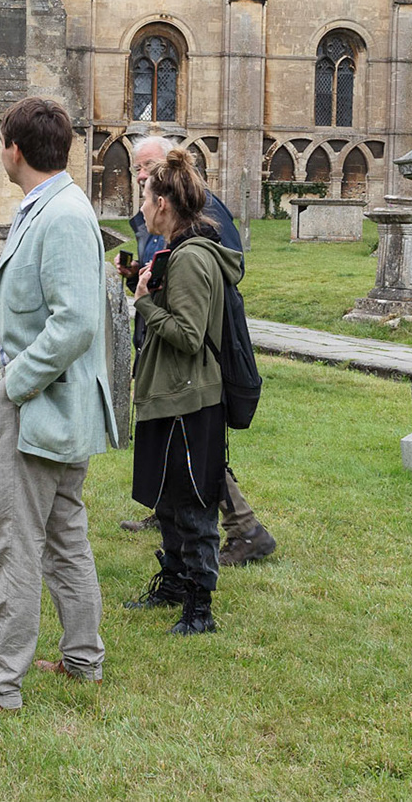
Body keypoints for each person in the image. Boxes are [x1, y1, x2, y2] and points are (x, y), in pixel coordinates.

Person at [0, 96, 115, 709]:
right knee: (64, 534)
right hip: (51, 405)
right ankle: (83, 660)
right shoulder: (50, 205)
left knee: (16, 540)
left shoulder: (61, 213)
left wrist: (15, 382)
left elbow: (76, 322)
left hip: (42, 404)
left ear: (13, 150)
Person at [120, 135, 278, 567]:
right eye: (137, 168)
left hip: (192, 358)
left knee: (194, 449)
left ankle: (244, 528)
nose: (140, 176)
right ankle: (170, 510)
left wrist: (151, 301)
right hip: (164, 342)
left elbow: (218, 270)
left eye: (146, 167)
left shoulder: (202, 213)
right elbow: (166, 271)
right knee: (181, 450)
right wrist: (139, 278)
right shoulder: (160, 219)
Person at [125, 148, 243, 635]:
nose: (142, 206)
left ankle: (199, 608)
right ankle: (174, 583)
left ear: (164, 204)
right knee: (169, 500)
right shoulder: (179, 250)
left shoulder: (193, 257)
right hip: (170, 395)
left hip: (191, 401)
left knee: (194, 506)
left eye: (146, 197)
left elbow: (190, 335)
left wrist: (145, 304)